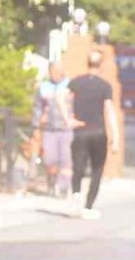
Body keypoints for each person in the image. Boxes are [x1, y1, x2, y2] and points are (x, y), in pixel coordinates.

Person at [69, 50, 119, 220]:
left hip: (80, 130)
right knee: (97, 170)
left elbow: (62, 98)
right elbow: (109, 111)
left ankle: (76, 191)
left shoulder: (76, 82)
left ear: (87, 63)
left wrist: (68, 118)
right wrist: (116, 137)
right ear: (102, 65)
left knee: (78, 166)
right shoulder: (105, 86)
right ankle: (88, 206)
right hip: (98, 131)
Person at [33, 62, 75, 197]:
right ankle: (51, 183)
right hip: (49, 129)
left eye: (57, 72)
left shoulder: (71, 86)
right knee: (50, 158)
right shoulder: (43, 87)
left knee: (65, 159)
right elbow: (37, 107)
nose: (54, 75)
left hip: (66, 128)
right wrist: (36, 125)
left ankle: (64, 186)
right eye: (52, 72)